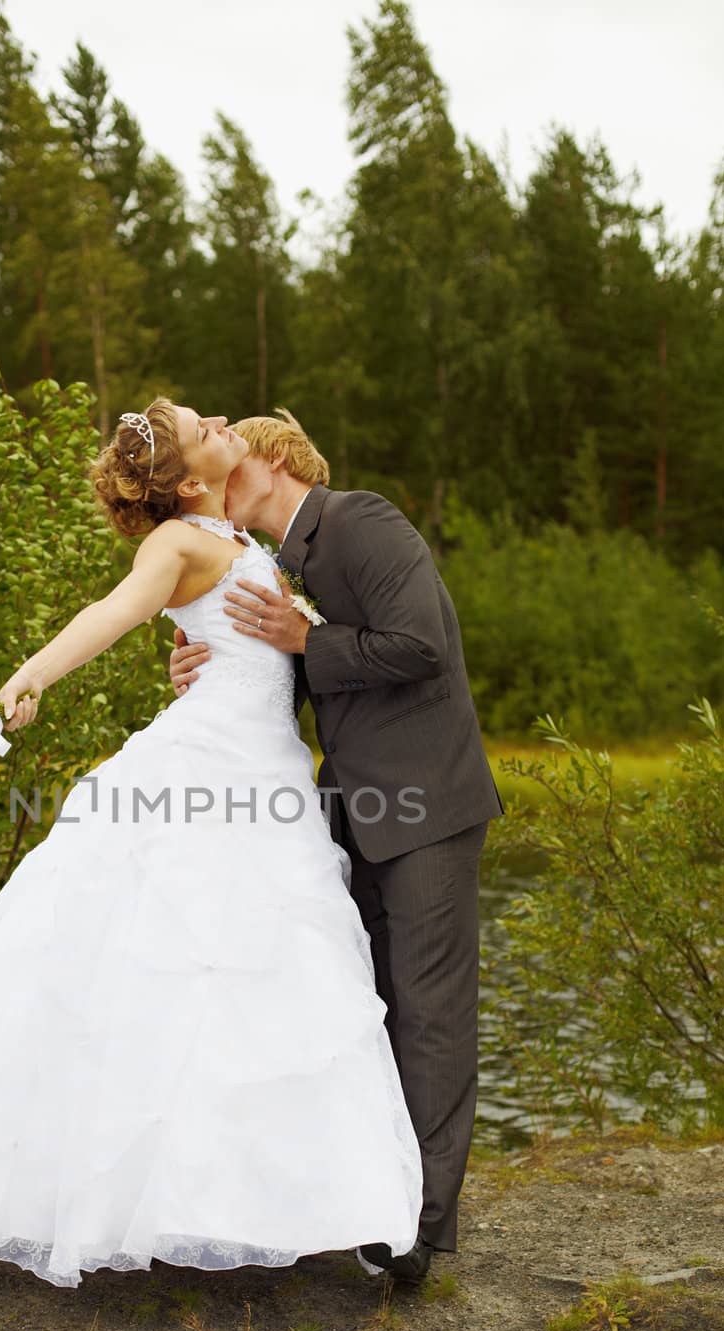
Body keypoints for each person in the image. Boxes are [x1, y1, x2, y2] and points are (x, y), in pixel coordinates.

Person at [0, 399, 423, 1289]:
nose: (222, 416)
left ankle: (248, 1203)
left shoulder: (230, 536)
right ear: (190, 479)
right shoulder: (179, 545)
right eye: (204, 424)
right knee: (174, 977)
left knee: (252, 993)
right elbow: (110, 611)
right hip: (213, 770)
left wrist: (201, 645)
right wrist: (18, 689)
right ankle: (140, 1206)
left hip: (259, 767)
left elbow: (257, 638)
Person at [169, 409, 504, 1284]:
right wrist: (205, 665)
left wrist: (304, 638)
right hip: (350, 814)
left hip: (427, 804)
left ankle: (417, 1236)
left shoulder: (360, 518)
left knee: (429, 1015)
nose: (222, 478)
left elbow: (420, 645)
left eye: (235, 461)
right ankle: (368, 1196)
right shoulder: (275, 564)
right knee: (363, 1007)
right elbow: (283, 678)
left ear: (277, 459)